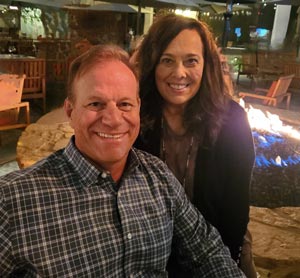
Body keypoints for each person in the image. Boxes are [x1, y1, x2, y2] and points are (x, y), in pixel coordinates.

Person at [0, 44, 246, 277]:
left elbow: (208, 251)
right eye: (96, 104)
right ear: (70, 111)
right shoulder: (12, 201)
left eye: (125, 104)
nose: (114, 119)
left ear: (138, 107)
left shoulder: (159, 177)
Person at [133, 14, 256, 277]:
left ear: (206, 65)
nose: (179, 73)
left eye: (191, 61)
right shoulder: (136, 117)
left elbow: (235, 208)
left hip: (219, 248)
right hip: (153, 253)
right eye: (167, 60)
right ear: (153, 64)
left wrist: (224, 260)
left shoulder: (232, 120)